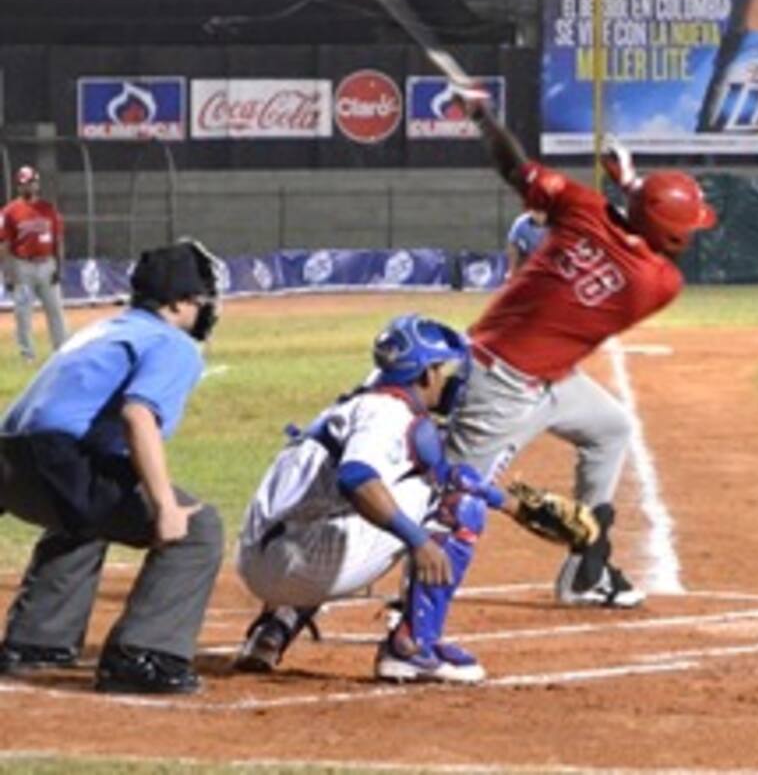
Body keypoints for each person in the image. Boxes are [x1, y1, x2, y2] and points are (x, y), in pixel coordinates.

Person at [446, 86, 717, 608]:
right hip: (503, 386)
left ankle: (586, 572)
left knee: (610, 428)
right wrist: (633, 183)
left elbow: (515, 169)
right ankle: (318, 582)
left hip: (528, 369)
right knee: (448, 495)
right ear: (674, 238)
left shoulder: (582, 206)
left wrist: (483, 116)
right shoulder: (657, 284)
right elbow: (639, 228)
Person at [0, 239, 224, 694]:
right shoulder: (172, 343)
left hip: (10, 459)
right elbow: (137, 417)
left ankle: (37, 641)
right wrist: (164, 507)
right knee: (200, 529)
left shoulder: (104, 328)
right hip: (56, 461)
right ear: (181, 301)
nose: (205, 310)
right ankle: (144, 656)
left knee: (90, 508)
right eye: (200, 300)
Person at [233, 314, 507, 684]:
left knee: (349, 511)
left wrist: (510, 503)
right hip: (297, 561)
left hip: (259, 557)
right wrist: (419, 540)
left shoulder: (359, 404)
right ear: (426, 374)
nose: (449, 380)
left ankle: (274, 628)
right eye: (443, 370)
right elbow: (357, 477)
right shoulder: (387, 414)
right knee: (456, 504)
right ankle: (411, 648)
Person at [0, 165, 68, 362]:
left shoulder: (49, 209)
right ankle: (27, 355)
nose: (28, 187)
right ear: (18, 187)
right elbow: (4, 244)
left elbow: (58, 240)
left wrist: (58, 266)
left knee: (55, 311)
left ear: (37, 184)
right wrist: (7, 272)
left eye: (32, 182)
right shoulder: (9, 212)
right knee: (23, 314)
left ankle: (61, 351)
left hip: (47, 264)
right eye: (24, 184)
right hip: (23, 265)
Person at [505, 209, 548, 277]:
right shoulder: (521, 222)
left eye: (541, 212)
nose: (539, 216)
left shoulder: (555, 223)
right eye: (536, 212)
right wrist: (513, 270)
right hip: (528, 255)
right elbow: (512, 243)